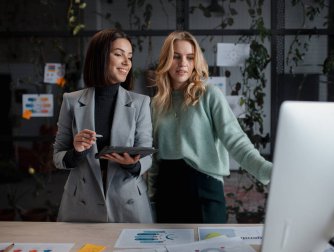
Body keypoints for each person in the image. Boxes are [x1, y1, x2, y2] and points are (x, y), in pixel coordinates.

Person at [148, 31, 272, 223]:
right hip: (167, 191)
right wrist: (151, 197)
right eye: (176, 56)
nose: (183, 63)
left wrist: (268, 170)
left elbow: (236, 140)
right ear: (165, 60)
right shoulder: (156, 103)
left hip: (204, 188)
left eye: (190, 58)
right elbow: (154, 156)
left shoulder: (209, 95)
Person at [53, 28, 153, 223]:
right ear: (100, 57)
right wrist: (77, 151)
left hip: (128, 202)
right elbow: (57, 157)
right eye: (118, 54)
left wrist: (134, 165)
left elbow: (147, 154)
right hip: (81, 204)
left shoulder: (140, 103)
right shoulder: (71, 101)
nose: (127, 63)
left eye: (130, 57)